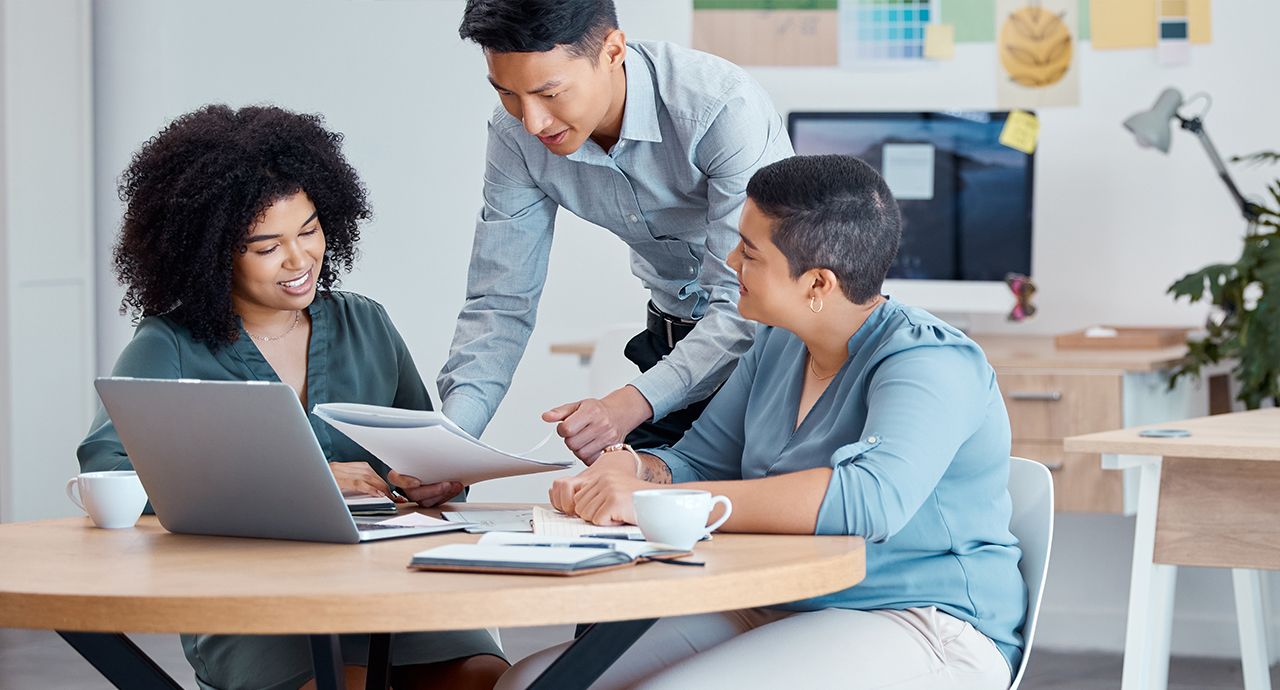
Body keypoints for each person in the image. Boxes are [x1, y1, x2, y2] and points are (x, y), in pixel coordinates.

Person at [496, 155, 1024, 689]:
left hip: (924, 621)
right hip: (778, 600)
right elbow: (699, 460)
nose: (729, 261)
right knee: (530, 684)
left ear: (818, 283)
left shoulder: (930, 362)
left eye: (749, 252)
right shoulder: (777, 342)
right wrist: (629, 470)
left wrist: (652, 502)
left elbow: (870, 499)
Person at [77, 104, 507, 690]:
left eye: (308, 230)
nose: (299, 259)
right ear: (211, 253)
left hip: (391, 584)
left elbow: (423, 449)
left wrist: (437, 477)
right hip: (255, 605)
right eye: (265, 246)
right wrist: (310, 481)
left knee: (488, 679)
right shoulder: (168, 347)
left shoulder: (366, 324)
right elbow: (112, 473)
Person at [440, 0, 792, 462]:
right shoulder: (515, 136)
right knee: (623, 510)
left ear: (612, 52)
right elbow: (500, 301)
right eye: (507, 93)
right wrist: (447, 445)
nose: (532, 121)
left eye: (549, 94)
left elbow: (743, 304)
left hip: (773, 359)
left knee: (757, 520)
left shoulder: (720, 108)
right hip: (669, 350)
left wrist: (628, 404)